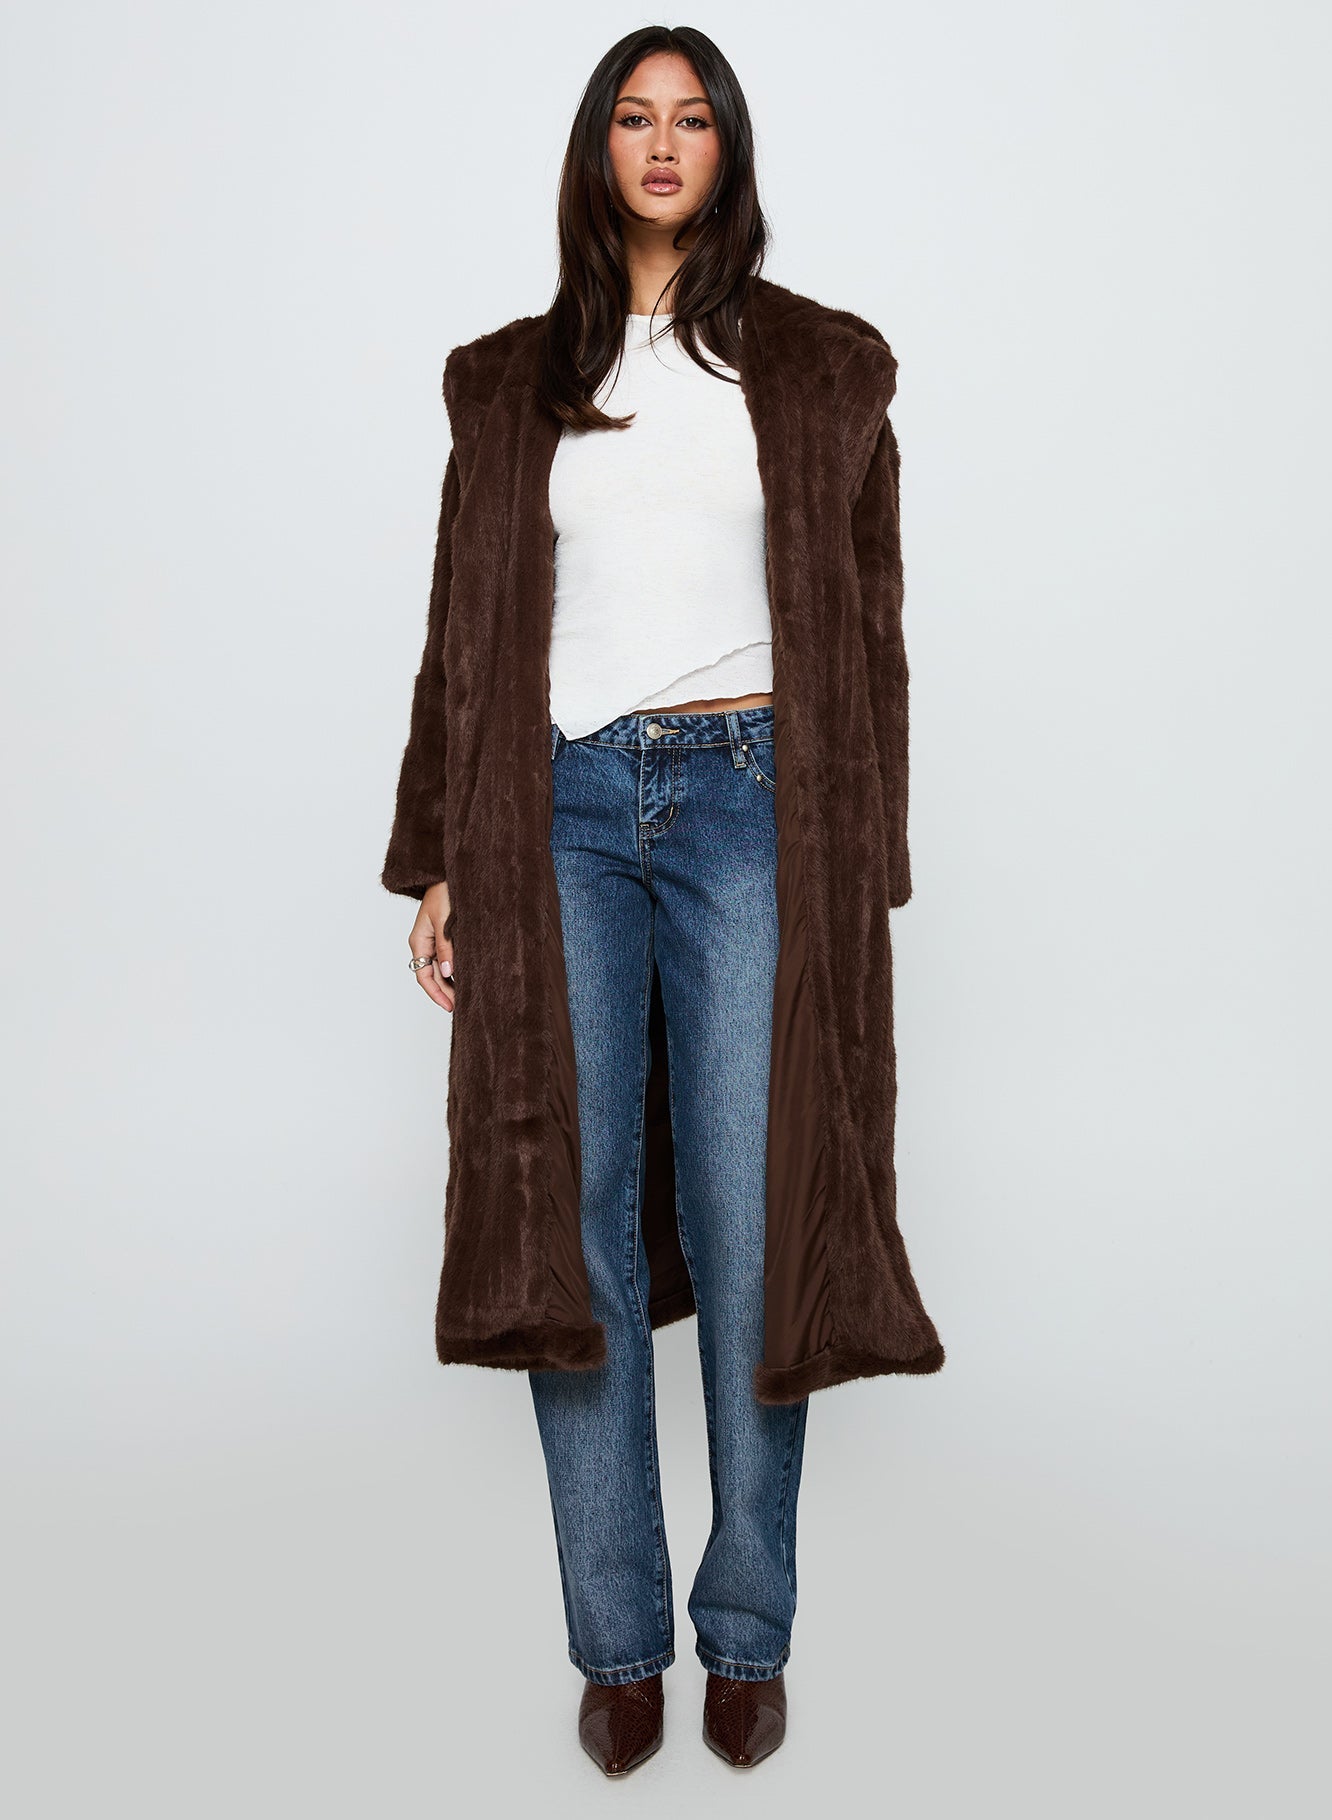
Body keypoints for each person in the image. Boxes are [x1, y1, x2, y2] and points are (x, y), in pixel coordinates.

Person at [381, 22, 944, 1777]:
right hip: (553, 809)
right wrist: (440, 855)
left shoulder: (824, 369)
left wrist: (865, 870)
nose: (662, 142)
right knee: (576, 1225)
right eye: (634, 117)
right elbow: (461, 635)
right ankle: (618, 1644)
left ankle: (747, 1630)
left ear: (729, 151)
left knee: (760, 1214)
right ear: (596, 150)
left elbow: (871, 633)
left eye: (692, 118)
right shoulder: (508, 382)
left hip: (750, 802)